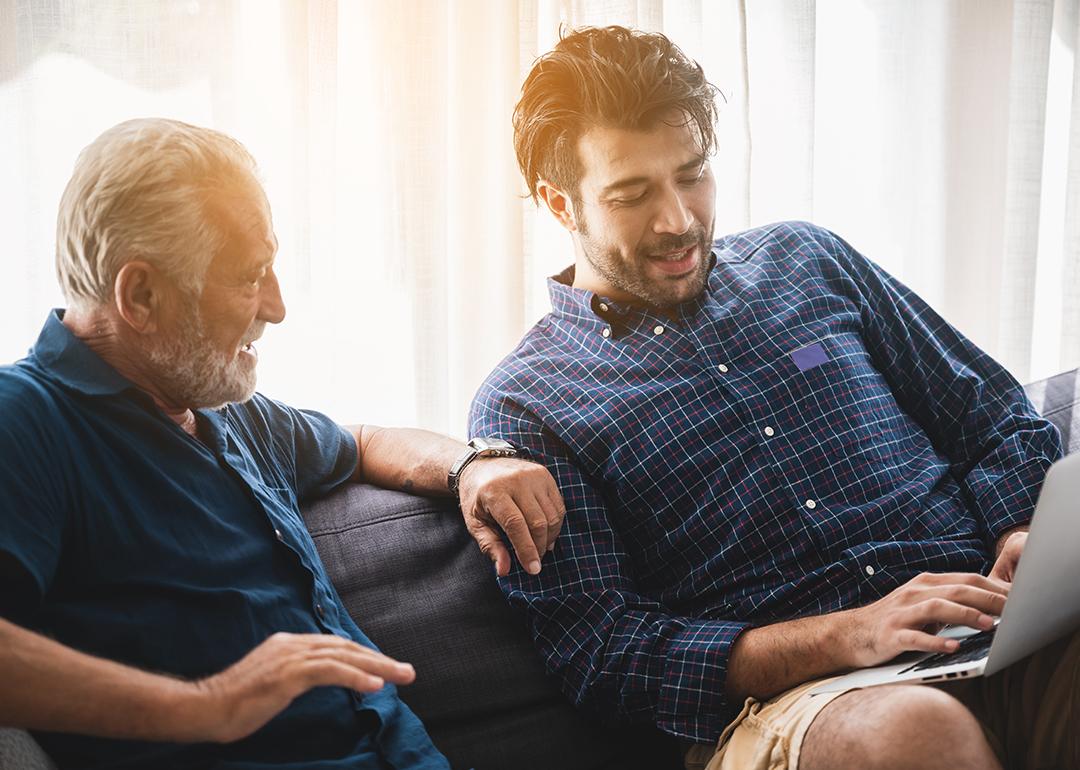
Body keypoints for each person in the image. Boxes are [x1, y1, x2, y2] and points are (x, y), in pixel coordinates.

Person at [469, 25, 1073, 770]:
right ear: (561, 204)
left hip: (991, 627)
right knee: (915, 736)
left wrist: (1022, 534)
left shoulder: (808, 259)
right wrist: (849, 632)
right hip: (802, 703)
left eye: (692, 174)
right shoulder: (527, 405)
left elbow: (992, 418)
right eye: (632, 194)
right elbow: (607, 656)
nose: (678, 219)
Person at [0, 118, 565, 769]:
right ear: (142, 295)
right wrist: (208, 704)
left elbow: (361, 440)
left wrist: (469, 467)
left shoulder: (226, 409)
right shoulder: (28, 420)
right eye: (251, 275)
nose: (277, 307)